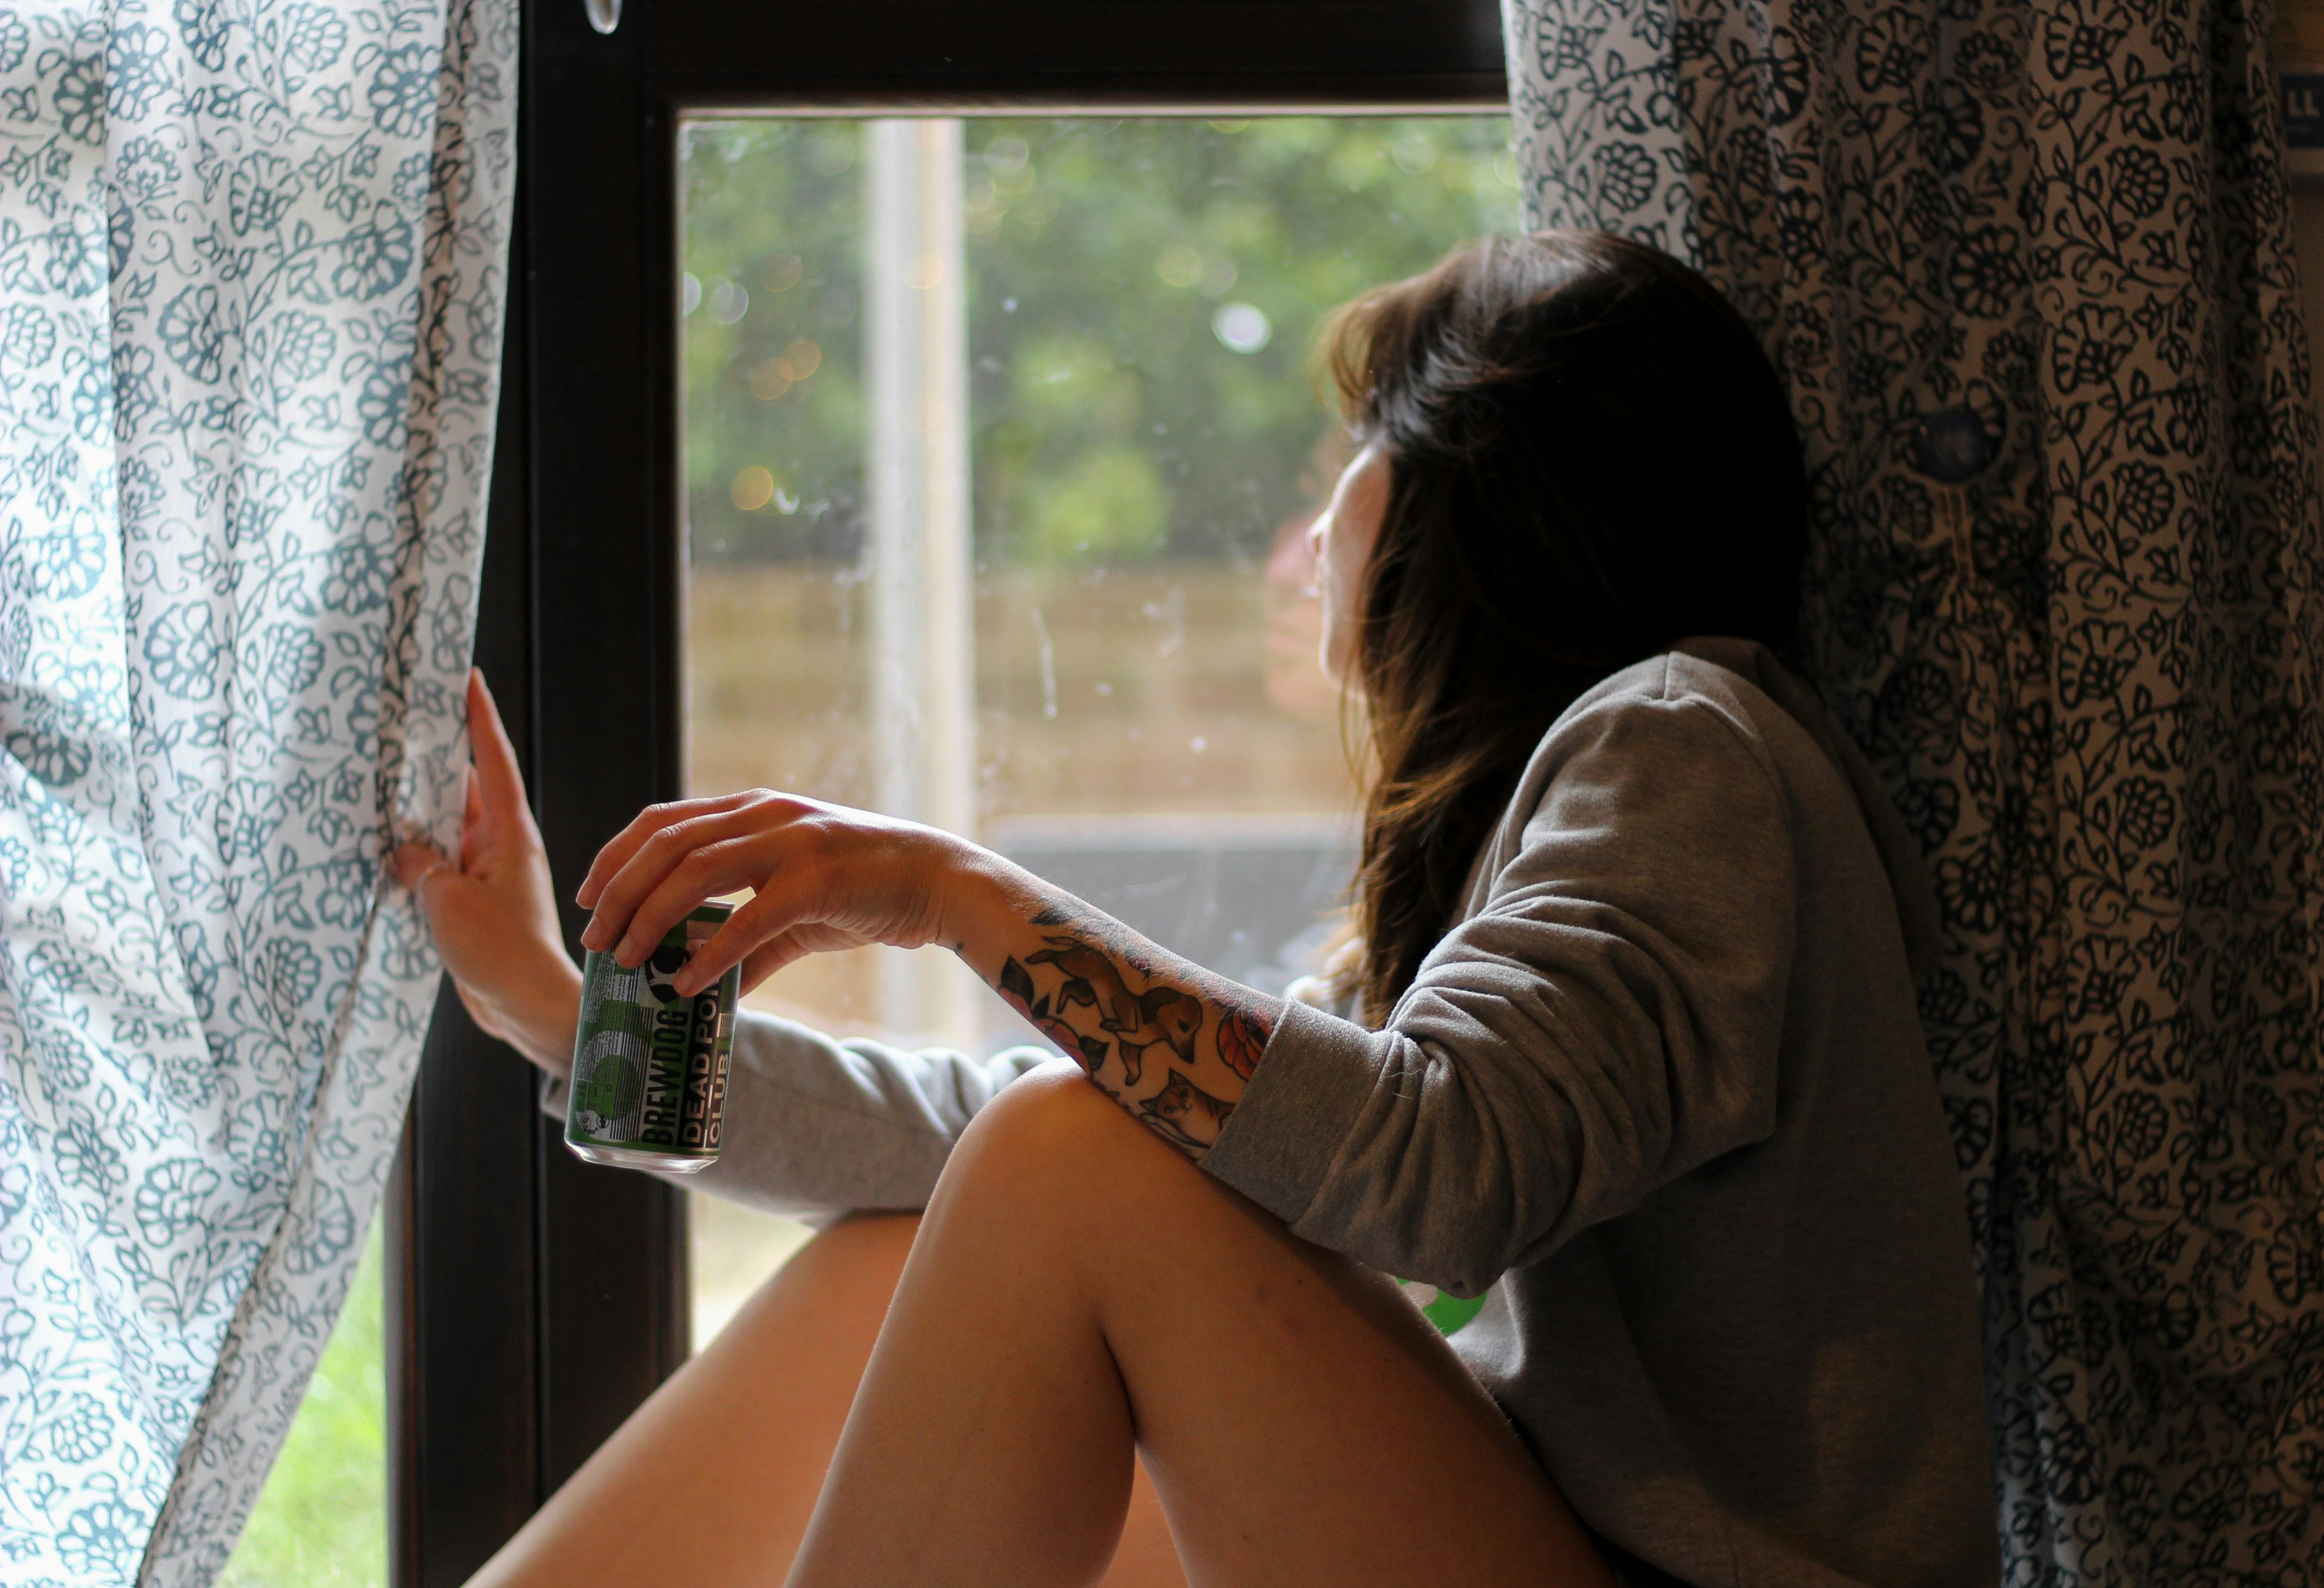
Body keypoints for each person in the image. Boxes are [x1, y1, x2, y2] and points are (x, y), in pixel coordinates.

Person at [395, 232, 1999, 1588]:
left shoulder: (1683, 738)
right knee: (947, 1229)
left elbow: (1440, 1173)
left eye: (1344, 469)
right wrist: (566, 1011)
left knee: (1070, 1161)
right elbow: (989, 1156)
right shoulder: (1553, 838)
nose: (1308, 543)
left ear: (1475, 497)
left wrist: (954, 896)